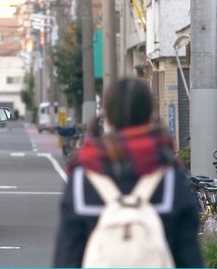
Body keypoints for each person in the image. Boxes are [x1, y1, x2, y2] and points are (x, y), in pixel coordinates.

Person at [52, 77, 203, 268]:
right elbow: (189, 257)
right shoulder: (171, 178)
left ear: (106, 118)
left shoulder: (83, 177)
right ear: (150, 116)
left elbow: (66, 257)